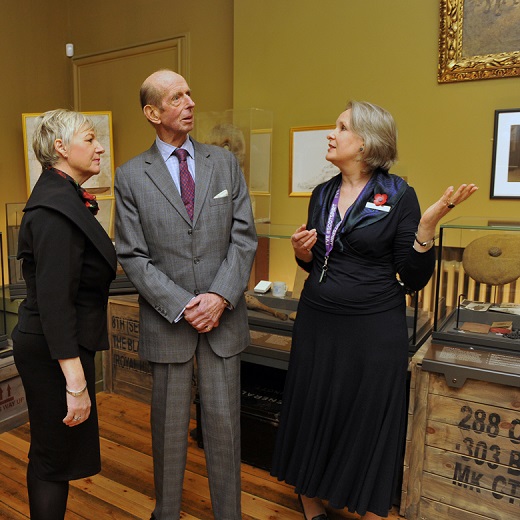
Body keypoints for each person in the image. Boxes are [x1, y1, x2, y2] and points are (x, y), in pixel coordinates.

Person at [270, 101, 478, 520]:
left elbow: (414, 276)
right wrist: (301, 253)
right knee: (313, 405)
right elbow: (316, 259)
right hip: (317, 320)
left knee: (362, 413)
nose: (331, 134)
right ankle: (309, 496)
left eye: (341, 127)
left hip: (373, 325)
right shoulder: (322, 193)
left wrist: (425, 230)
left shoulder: (399, 195)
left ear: (365, 143)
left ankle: (356, 497)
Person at [114, 69, 257, 520]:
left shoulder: (224, 163)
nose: (190, 102)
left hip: (223, 319)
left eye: (190, 93)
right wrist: (183, 305)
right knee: (169, 430)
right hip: (169, 322)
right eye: (177, 97)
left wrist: (219, 297)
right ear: (152, 113)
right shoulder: (131, 176)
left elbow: (244, 237)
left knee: (224, 427)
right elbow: (133, 255)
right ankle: (167, 512)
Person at [12, 109, 117, 519]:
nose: (100, 148)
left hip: (59, 345)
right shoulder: (55, 209)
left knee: (53, 455)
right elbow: (55, 302)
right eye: (90, 139)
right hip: (54, 351)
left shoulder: (64, 196)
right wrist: (75, 382)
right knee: (53, 460)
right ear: (60, 147)